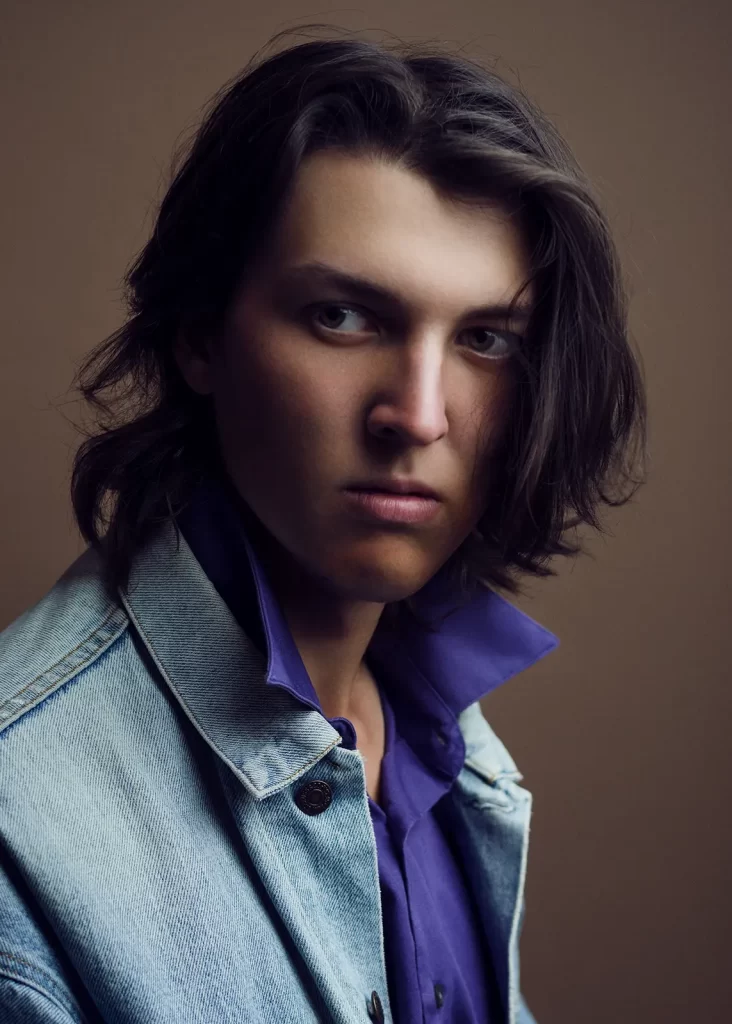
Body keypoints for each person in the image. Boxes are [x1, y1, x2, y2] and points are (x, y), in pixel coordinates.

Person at [0, 27, 646, 1024]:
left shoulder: (446, 738)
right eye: (345, 317)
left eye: (484, 339)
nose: (420, 413)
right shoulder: (21, 825)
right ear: (202, 333)